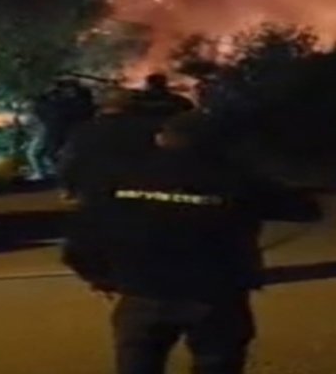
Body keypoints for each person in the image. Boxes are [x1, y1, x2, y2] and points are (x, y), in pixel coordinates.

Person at [63, 112, 321, 374]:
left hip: (142, 292)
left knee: (138, 363)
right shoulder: (236, 178)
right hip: (216, 293)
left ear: (161, 138)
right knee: (216, 362)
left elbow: (84, 233)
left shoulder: (120, 177)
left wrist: (99, 275)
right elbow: (306, 209)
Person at [57, 88, 159, 203]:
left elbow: (69, 160)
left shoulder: (82, 130)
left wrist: (67, 187)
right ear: (130, 102)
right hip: (139, 190)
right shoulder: (148, 128)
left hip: (95, 192)